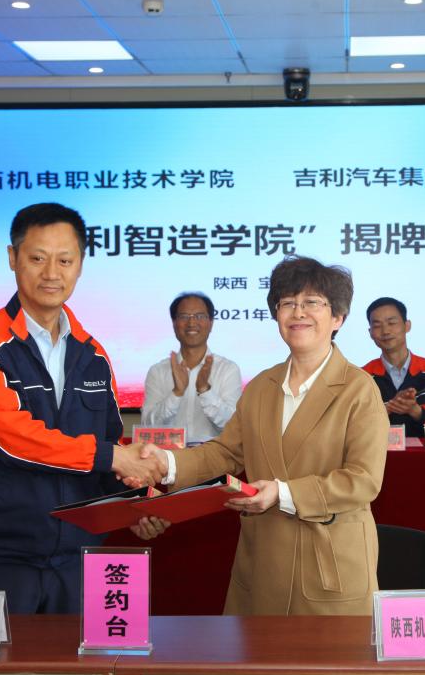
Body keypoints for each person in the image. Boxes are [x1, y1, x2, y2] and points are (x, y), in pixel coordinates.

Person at [0, 202, 166, 614]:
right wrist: (113, 456)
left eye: (65, 260)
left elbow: (106, 448)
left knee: (84, 659)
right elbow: (9, 437)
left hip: (78, 561)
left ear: (80, 265)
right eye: (37, 258)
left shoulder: (94, 355)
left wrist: (134, 504)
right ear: (13, 258)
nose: (51, 273)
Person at [136, 256, 387, 615]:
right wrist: (166, 462)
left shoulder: (359, 388)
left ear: (338, 318)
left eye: (312, 302)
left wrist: (283, 493)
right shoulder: (260, 387)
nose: (298, 312)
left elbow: (363, 480)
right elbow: (224, 453)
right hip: (264, 563)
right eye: (287, 303)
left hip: (328, 565)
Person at [141, 292, 243, 443]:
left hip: (212, 456)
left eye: (200, 316)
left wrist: (205, 390)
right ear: (174, 323)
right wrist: (176, 393)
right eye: (184, 316)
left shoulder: (228, 370)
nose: (192, 322)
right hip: (168, 456)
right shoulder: (157, 371)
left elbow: (232, 425)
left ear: (211, 323)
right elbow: (147, 427)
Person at [361, 297, 425, 437]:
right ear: (370, 333)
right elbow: (353, 426)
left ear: (407, 326)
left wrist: (416, 411)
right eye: (377, 326)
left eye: (391, 323)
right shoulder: (363, 376)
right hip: (378, 451)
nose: (385, 331)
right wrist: (388, 408)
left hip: (424, 451)